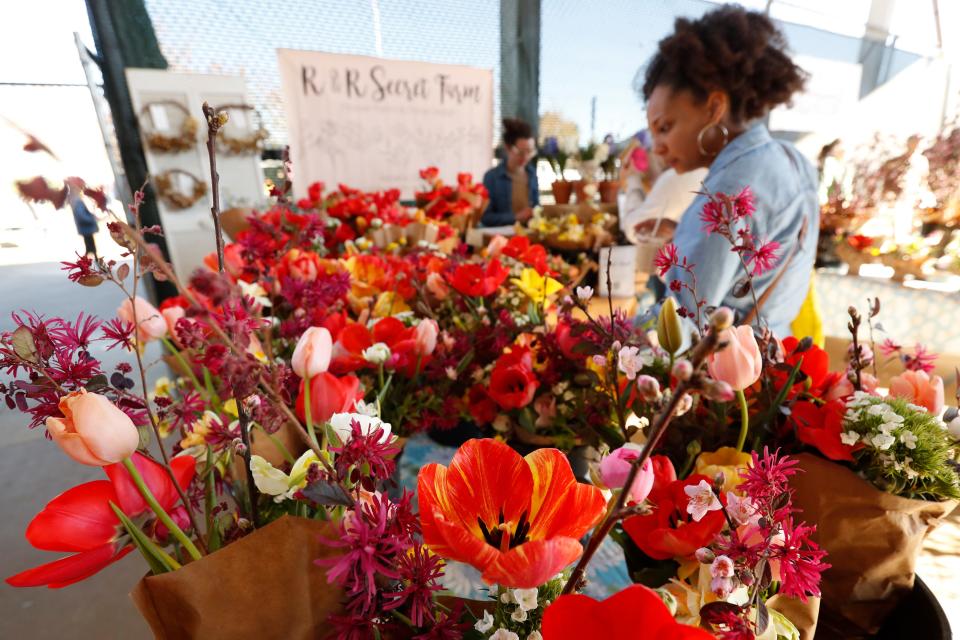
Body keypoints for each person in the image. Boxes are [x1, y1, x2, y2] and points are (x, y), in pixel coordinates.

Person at [642, 5, 818, 337]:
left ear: (714, 108)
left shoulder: (730, 187)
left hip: (725, 372)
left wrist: (593, 335)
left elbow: (680, 325)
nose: (657, 147)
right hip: (771, 358)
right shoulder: (793, 160)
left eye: (665, 127)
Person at [481, 118, 539, 227]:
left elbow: (536, 207)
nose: (525, 157)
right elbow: (485, 217)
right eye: (521, 152)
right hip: (502, 237)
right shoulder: (492, 177)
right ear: (508, 148)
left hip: (529, 234)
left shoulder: (531, 174)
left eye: (529, 152)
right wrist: (515, 217)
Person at [66, 177, 99, 258]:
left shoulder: (74, 199)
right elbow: (81, 215)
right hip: (86, 225)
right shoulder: (77, 200)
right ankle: (92, 258)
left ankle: (90, 255)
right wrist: (91, 219)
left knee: (88, 242)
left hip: (84, 226)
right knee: (90, 242)